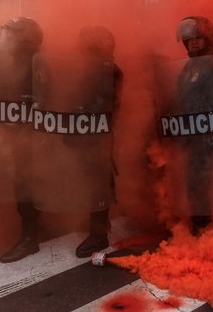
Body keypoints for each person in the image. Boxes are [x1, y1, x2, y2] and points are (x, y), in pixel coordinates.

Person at [174, 16, 213, 233]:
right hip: (192, 133)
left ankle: (206, 225)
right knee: (194, 177)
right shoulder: (189, 66)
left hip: (209, 134)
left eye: (198, 39)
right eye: (188, 40)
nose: (192, 43)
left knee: (206, 178)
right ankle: (200, 220)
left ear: (207, 38)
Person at [0, 17, 44, 263]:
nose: (5, 42)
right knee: (21, 185)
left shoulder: (38, 66)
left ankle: (29, 238)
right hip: (14, 136)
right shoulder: (5, 64)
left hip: (33, 140)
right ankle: (30, 230)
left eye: (12, 37)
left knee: (27, 186)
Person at [73, 26, 123, 257]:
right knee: (90, 178)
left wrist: (77, 121)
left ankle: (99, 235)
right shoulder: (93, 69)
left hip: (97, 135)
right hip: (90, 133)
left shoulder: (108, 71)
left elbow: (102, 104)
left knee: (98, 181)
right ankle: (98, 223)